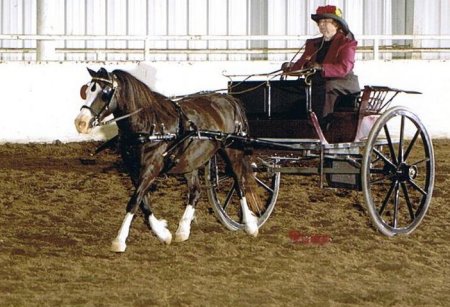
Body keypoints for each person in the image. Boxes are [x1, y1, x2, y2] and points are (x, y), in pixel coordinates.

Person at [282, 5, 360, 126]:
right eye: (320, 22)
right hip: (317, 81)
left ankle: (322, 125)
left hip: (343, 82)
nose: (321, 25)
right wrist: (291, 68)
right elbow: (303, 63)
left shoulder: (346, 43)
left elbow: (344, 68)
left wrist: (322, 67)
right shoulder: (313, 44)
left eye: (325, 21)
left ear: (336, 24)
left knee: (325, 86)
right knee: (291, 87)